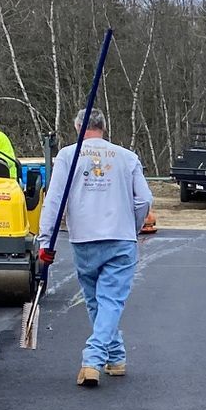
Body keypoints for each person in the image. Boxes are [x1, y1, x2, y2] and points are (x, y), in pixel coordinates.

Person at [37, 108, 153, 388]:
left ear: (78, 126)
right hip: (121, 239)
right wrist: (132, 226)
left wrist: (45, 239)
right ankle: (108, 357)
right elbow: (144, 200)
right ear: (103, 126)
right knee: (108, 302)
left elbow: (55, 201)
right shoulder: (127, 157)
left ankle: (99, 359)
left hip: (85, 238)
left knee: (96, 301)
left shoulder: (68, 155)